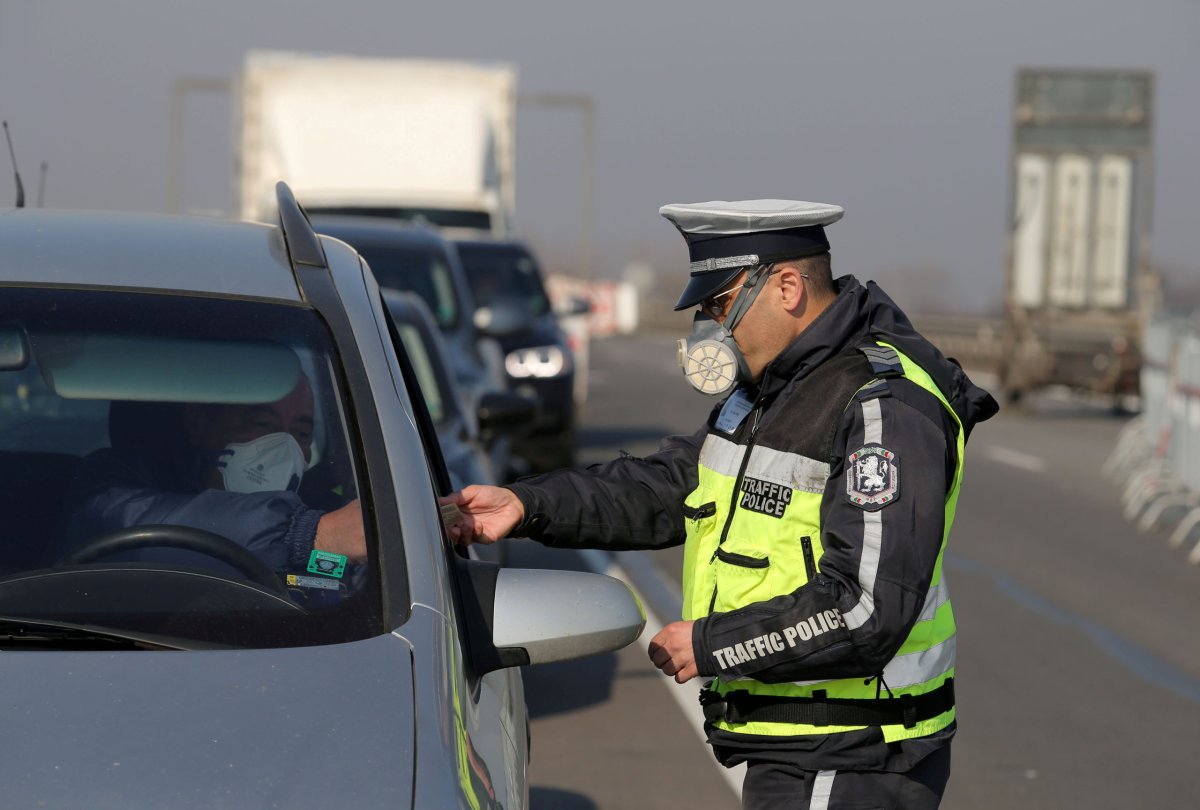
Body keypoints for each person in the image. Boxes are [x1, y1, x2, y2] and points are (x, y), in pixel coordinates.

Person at [444, 199, 998, 809]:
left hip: (853, 753)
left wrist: (711, 644)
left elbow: (866, 608)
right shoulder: (769, 392)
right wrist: (527, 504)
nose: (711, 328)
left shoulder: (880, 406)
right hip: (797, 749)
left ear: (787, 287)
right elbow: (669, 487)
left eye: (720, 304)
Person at [57, 373, 366, 578]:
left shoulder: (319, 516)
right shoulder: (110, 485)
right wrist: (309, 536)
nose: (283, 446)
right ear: (197, 424)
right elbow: (113, 525)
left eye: (300, 432)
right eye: (260, 423)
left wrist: (334, 563)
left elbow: (326, 572)